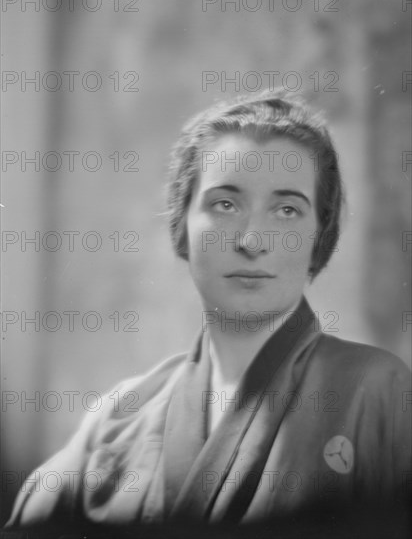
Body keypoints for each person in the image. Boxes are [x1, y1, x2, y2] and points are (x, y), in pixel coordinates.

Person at [6, 90, 411, 534]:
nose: (251, 241)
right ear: (183, 225)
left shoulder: (379, 391)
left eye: (287, 210)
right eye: (225, 204)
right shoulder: (119, 417)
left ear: (319, 235)